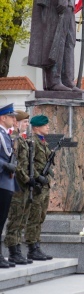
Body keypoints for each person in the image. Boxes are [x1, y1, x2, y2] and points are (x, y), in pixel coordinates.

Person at [4, 110, 33, 265]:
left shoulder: (23, 140)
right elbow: (17, 165)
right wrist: (27, 179)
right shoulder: (15, 140)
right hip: (17, 185)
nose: (27, 124)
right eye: (25, 122)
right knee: (15, 218)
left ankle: (17, 249)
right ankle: (13, 250)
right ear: (18, 123)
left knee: (22, 219)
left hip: (24, 185)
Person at [25, 115, 54, 261]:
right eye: (45, 125)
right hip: (37, 185)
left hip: (44, 185)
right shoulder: (32, 142)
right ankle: (32, 248)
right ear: (36, 127)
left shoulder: (43, 142)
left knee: (41, 216)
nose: (48, 127)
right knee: (34, 217)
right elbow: (28, 163)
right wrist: (37, 176)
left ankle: (37, 245)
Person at [0, 104, 18, 268]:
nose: (14, 119)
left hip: (7, 183)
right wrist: (5, 166)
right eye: (11, 116)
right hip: (1, 182)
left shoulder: (6, 135)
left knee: (2, 219)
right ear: (3, 118)